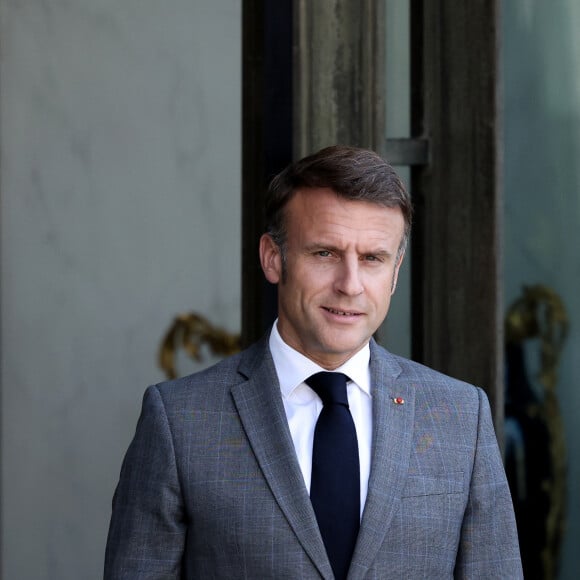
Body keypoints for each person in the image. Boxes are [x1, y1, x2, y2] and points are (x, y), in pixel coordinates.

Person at [104, 145, 523, 579]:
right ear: (273, 259)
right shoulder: (179, 421)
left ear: (395, 273)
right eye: (325, 253)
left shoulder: (459, 416)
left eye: (372, 259)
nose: (350, 284)